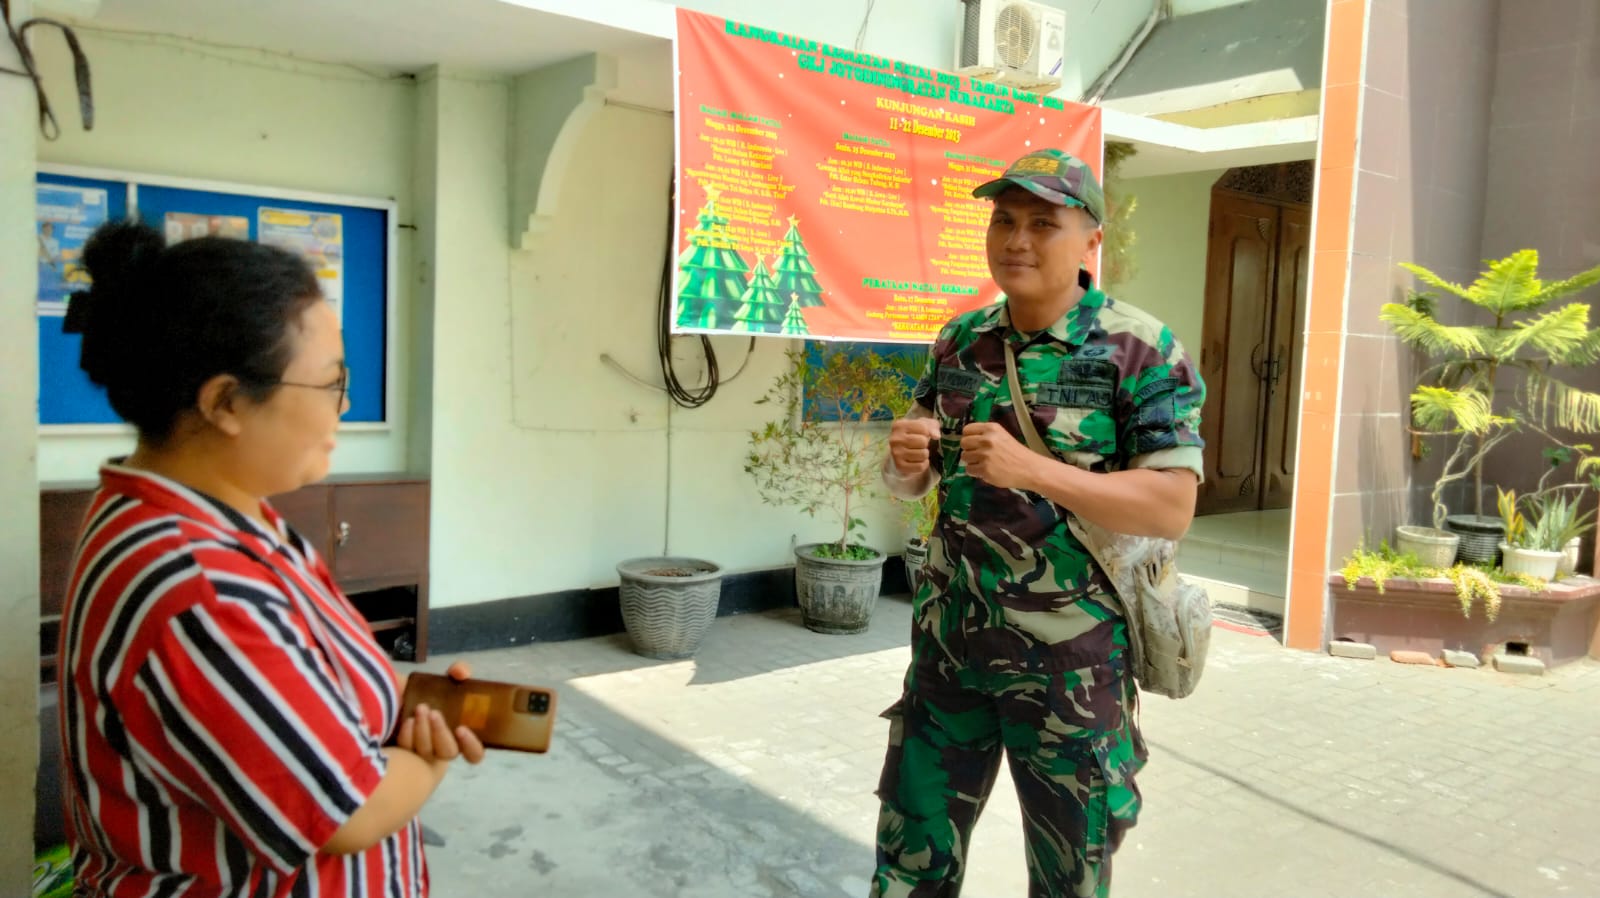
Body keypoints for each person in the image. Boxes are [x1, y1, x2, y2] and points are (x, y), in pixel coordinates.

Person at [56, 220, 483, 897]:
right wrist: (433, 749)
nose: (344, 408)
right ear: (226, 402)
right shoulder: (196, 588)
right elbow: (345, 813)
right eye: (330, 386)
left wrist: (401, 705)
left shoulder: (225, 515)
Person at [870, 149, 1206, 898]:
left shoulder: (1140, 350)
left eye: (1042, 224)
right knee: (907, 864)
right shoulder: (961, 341)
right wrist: (905, 459)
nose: (1016, 240)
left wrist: (1036, 471)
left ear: (1091, 241)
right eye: (1004, 220)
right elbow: (919, 475)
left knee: (1067, 880)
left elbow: (1170, 506)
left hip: (1070, 673)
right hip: (950, 654)